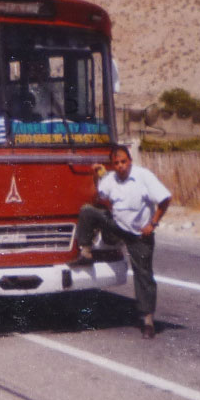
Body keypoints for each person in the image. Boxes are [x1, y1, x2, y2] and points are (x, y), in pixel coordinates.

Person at [72, 145, 171, 339]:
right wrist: (96, 177)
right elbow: (99, 198)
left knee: (144, 275)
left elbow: (165, 199)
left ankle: (148, 320)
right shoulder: (110, 179)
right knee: (87, 211)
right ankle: (86, 252)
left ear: (130, 161)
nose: (120, 166)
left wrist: (153, 223)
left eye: (123, 162)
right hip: (117, 226)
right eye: (116, 163)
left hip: (139, 235)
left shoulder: (144, 177)